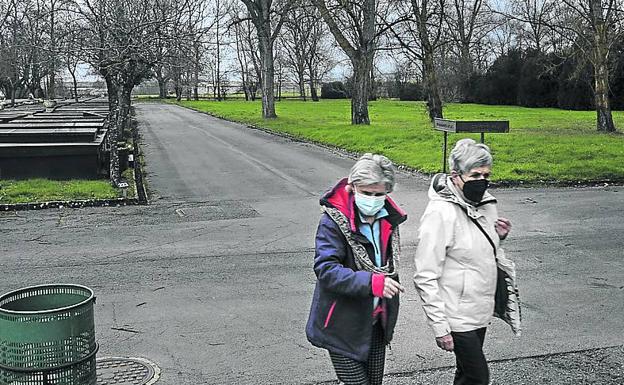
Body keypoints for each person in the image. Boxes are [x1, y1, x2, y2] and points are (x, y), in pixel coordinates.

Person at [413, 139, 512, 385]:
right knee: (478, 377)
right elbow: (425, 274)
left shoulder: (487, 204)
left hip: (480, 308)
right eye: (475, 174)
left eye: (486, 174)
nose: (482, 180)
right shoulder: (440, 213)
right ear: (456, 176)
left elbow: (474, 252)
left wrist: (498, 237)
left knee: (466, 375)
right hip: (456, 314)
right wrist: (440, 326)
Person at [306, 153, 407, 385]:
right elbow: (326, 270)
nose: (372, 199)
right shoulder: (333, 221)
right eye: (366, 193)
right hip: (341, 324)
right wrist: (372, 282)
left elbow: (389, 265)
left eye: (379, 194)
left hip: (376, 323)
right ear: (352, 188)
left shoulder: (389, 220)